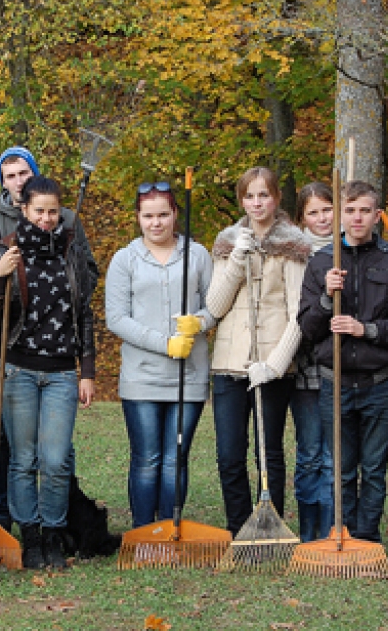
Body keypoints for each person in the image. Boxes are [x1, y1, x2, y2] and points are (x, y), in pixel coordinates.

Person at [298, 180, 388, 543]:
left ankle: (367, 538)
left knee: (373, 468)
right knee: (340, 468)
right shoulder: (322, 263)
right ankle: (343, 533)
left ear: (376, 215)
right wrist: (326, 296)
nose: (357, 217)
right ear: (339, 214)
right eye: (350, 210)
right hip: (334, 382)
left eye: (364, 210)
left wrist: (364, 329)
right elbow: (307, 328)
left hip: (380, 383)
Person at [0, 175, 96, 569]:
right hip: (19, 369)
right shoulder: (8, 251)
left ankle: (53, 533)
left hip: (63, 372)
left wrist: (87, 371)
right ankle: (30, 537)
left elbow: (84, 314)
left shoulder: (72, 250)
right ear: (24, 211)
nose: (47, 218)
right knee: (24, 458)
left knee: (56, 459)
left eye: (53, 211)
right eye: (39, 211)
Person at [206, 167, 312, 535]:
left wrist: (276, 364)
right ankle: (239, 528)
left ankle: (270, 527)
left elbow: (300, 312)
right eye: (249, 196)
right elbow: (216, 306)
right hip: (229, 364)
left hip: (271, 364)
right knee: (229, 454)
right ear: (241, 200)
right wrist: (237, 258)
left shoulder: (293, 245)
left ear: (276, 198)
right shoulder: (227, 241)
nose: (256, 203)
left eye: (263, 195)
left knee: (269, 452)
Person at [105, 181, 213, 529]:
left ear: (175, 215)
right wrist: (164, 343)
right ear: (138, 218)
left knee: (174, 459)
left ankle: (170, 528)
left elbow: (215, 306)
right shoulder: (124, 260)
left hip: (188, 376)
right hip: (142, 377)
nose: (156, 223)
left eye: (163, 215)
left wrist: (198, 321)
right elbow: (117, 318)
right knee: (147, 459)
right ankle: (143, 532)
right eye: (148, 216)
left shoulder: (197, 255)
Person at [291, 182, 336, 541]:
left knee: (332, 454)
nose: (322, 218)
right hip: (305, 368)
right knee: (309, 453)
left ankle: (331, 525)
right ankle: (309, 529)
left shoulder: (349, 250)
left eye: (327, 209)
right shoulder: (297, 257)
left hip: (341, 370)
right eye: (313, 212)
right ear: (302, 218)